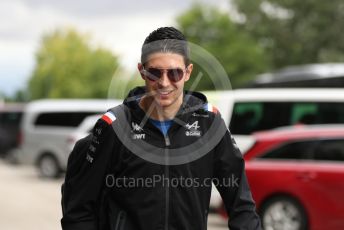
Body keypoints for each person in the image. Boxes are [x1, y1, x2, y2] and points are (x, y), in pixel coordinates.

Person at [61, 26, 262, 230]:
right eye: (155, 73)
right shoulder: (114, 126)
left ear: (188, 72)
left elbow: (241, 206)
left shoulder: (209, 123)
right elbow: (79, 209)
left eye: (174, 73)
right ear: (142, 71)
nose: (164, 83)